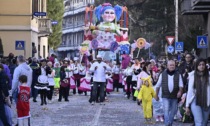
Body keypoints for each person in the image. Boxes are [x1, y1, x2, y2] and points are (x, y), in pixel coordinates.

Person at [155, 60, 184, 126]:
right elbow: (157, 86)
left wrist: (180, 92)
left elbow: (181, 85)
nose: (172, 66)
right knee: (166, 109)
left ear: (175, 66)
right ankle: (167, 124)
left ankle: (169, 123)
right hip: (165, 95)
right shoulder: (162, 74)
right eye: (170, 65)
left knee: (174, 111)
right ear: (167, 66)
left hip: (174, 96)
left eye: (173, 65)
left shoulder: (178, 74)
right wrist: (156, 95)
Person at [185, 58, 210, 126]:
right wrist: (187, 105)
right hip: (195, 100)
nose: (201, 66)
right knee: (199, 122)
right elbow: (190, 91)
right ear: (196, 66)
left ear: (205, 66)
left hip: (207, 101)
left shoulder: (209, 76)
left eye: (203, 65)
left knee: (204, 123)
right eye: (199, 65)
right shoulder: (192, 76)